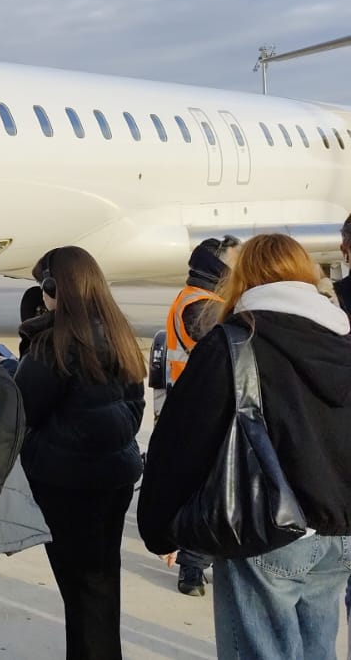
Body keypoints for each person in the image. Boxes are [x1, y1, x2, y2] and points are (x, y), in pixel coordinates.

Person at [139, 233, 351, 660]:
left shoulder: (234, 344)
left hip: (264, 530)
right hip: (338, 534)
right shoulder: (342, 339)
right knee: (318, 649)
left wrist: (160, 526)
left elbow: (183, 443)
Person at [15, 246, 146, 660]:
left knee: (82, 591)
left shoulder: (56, 344)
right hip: (115, 476)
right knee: (101, 586)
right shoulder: (119, 331)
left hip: (66, 485)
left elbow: (23, 411)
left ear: (57, 287)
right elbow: (135, 405)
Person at [159, 235, 239, 597]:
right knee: (209, 486)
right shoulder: (201, 305)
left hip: (195, 403)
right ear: (218, 266)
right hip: (201, 407)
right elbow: (227, 345)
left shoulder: (201, 298)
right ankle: (192, 565)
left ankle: (193, 558)